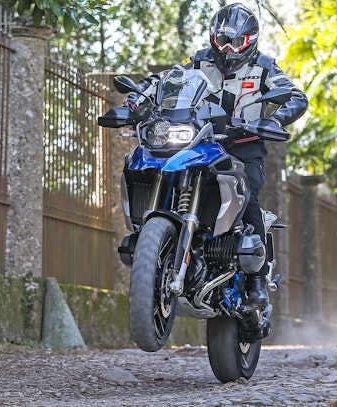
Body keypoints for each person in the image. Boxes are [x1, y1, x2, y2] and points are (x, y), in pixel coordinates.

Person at [127, 3, 308, 310]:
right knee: (158, 169)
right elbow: (163, 80)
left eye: (236, 41)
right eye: (222, 40)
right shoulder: (198, 61)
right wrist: (134, 101)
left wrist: (276, 119)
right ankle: (158, 245)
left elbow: (296, 96)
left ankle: (257, 279)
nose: (228, 49)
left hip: (243, 146)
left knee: (248, 197)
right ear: (213, 37)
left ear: (250, 40)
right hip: (199, 140)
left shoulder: (264, 67)